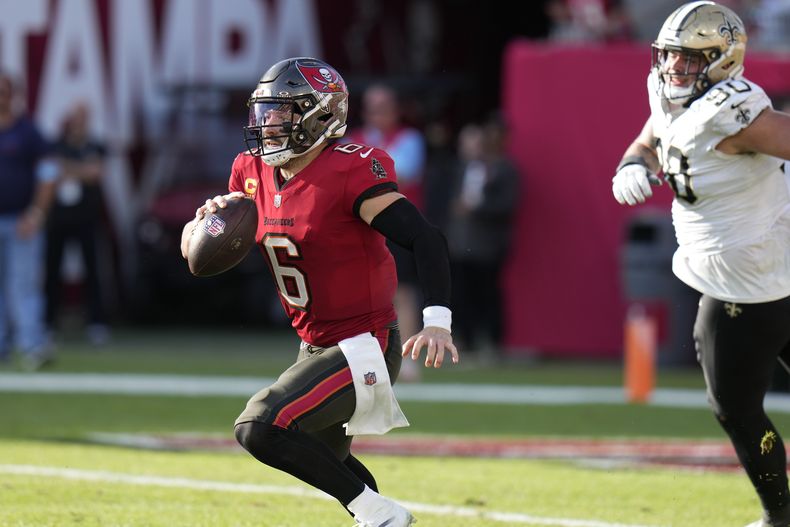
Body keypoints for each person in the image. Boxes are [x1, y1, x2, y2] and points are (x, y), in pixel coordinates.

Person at [180, 57, 457, 527]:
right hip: (314, 345)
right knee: (333, 462)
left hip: (364, 343)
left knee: (259, 426)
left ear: (318, 115)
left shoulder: (350, 169)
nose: (266, 123)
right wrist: (201, 224)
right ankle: (382, 517)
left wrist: (437, 322)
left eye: (279, 112)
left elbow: (424, 237)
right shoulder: (251, 170)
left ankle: (382, 515)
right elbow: (197, 258)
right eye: (263, 112)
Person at [612, 3, 790, 526]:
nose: (672, 69)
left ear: (720, 60)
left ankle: (780, 516)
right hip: (758, 270)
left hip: (748, 284)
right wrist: (633, 163)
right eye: (668, 57)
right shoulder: (675, 97)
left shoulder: (731, 113)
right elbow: (653, 134)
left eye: (687, 61)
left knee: (734, 405)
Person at [345, 84, 427, 379]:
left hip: (397, 227)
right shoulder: (353, 140)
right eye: (373, 108)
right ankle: (365, 357)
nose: (378, 114)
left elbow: (400, 175)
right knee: (361, 294)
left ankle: (407, 358)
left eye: (384, 107)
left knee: (402, 292)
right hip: (363, 230)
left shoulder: (409, 138)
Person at [446, 116, 520, 358]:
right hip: (461, 242)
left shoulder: (506, 169)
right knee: (461, 292)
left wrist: (476, 208)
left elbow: (506, 206)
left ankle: (492, 341)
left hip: (489, 244)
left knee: (488, 292)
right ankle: (465, 340)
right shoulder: (465, 167)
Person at [0, 71, 57, 369]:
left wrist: (36, 213)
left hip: (20, 221)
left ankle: (31, 344)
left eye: (5, 91)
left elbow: (48, 174)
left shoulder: (26, 132)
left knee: (23, 284)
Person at [45, 102, 109, 345]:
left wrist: (68, 169)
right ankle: (48, 322)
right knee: (52, 271)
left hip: (86, 218)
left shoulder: (95, 145)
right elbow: (51, 171)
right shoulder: (56, 145)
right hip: (59, 219)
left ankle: (97, 323)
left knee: (93, 271)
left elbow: (96, 173)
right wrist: (80, 170)